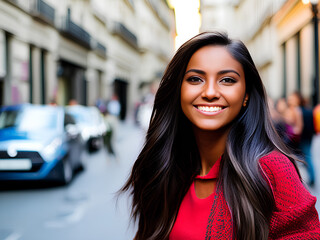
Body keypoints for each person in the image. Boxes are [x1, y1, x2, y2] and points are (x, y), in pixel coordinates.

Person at [120, 32, 320, 240]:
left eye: (227, 80)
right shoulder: (163, 170)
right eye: (195, 79)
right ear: (179, 90)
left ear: (246, 95)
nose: (210, 92)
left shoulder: (272, 170)